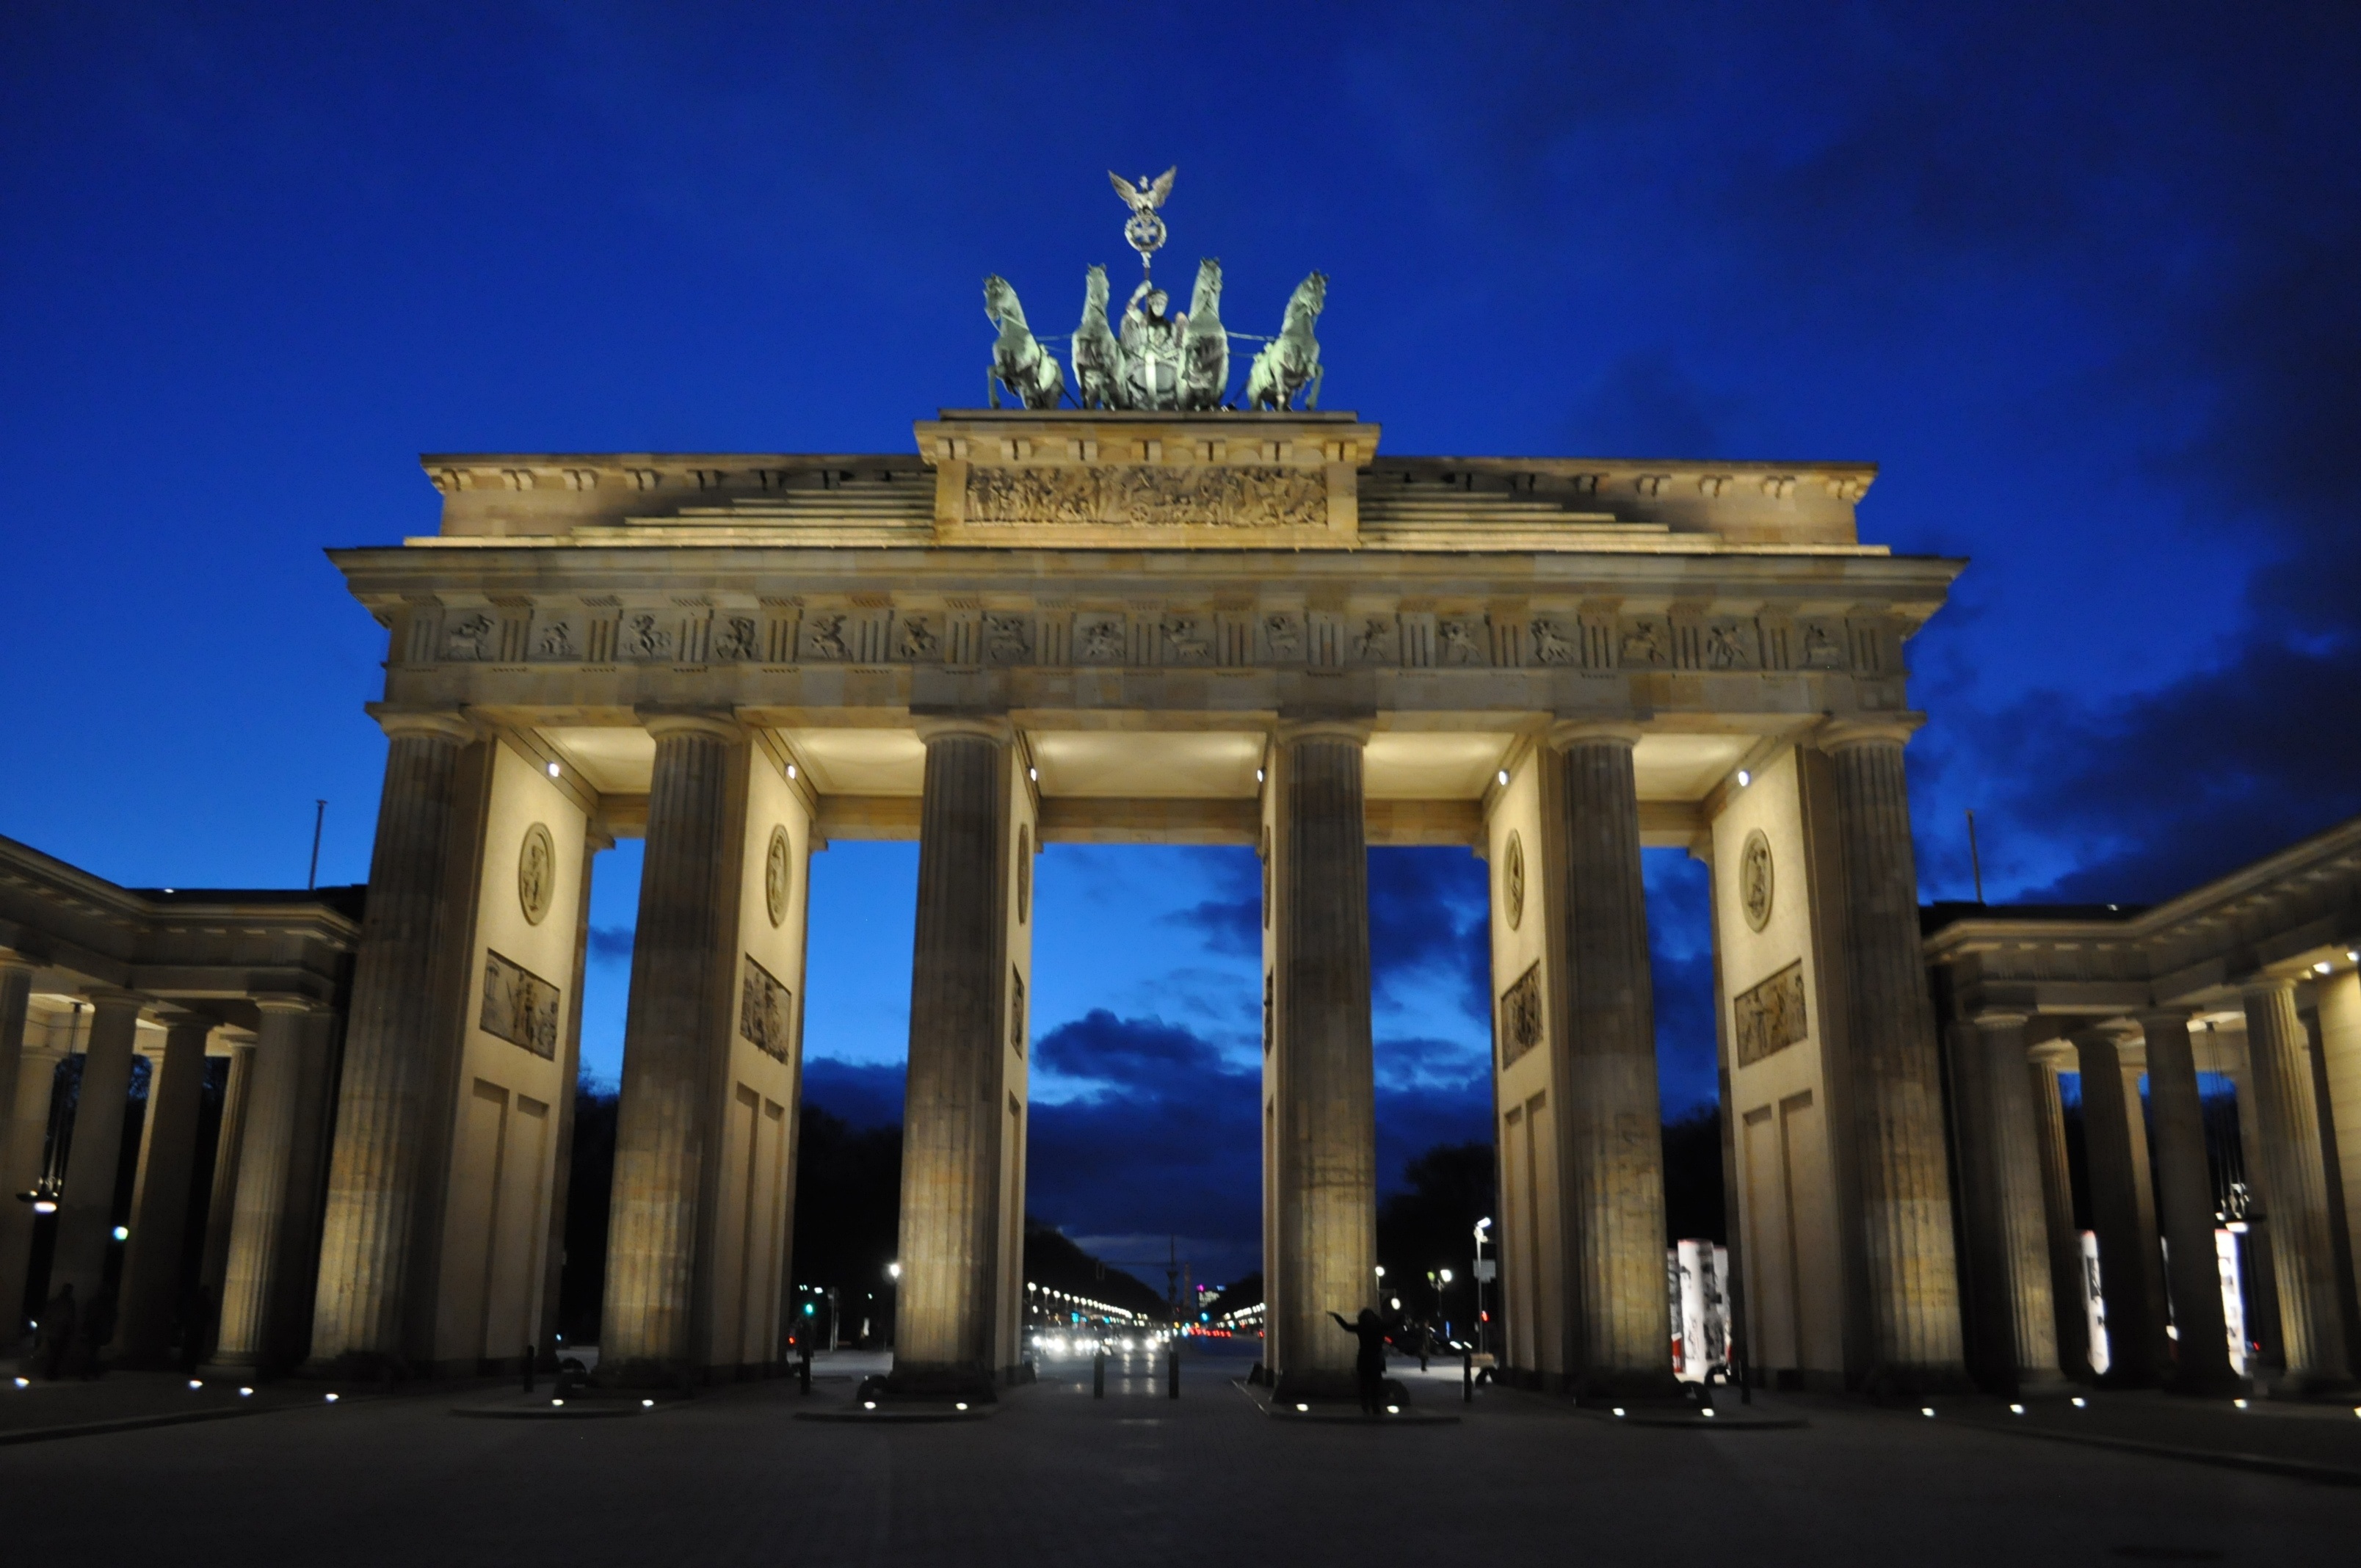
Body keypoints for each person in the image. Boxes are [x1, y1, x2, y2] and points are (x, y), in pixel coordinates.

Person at [1328, 1307, 1389, 1417]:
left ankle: (1368, 1406)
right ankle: (1374, 1407)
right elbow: (1391, 1326)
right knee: (1372, 1384)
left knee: (1367, 1384)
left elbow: (1347, 1326)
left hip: (1366, 1359)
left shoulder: (1362, 1327)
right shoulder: (1376, 1327)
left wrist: (1337, 1317)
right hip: (1372, 1359)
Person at [35, 1283, 76, 1381]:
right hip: (61, 1333)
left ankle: (50, 1373)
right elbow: (70, 1320)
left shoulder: (54, 1302)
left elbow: (46, 1316)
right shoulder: (69, 1304)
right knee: (57, 1356)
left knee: (53, 1354)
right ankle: (52, 1374)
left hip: (52, 1332)